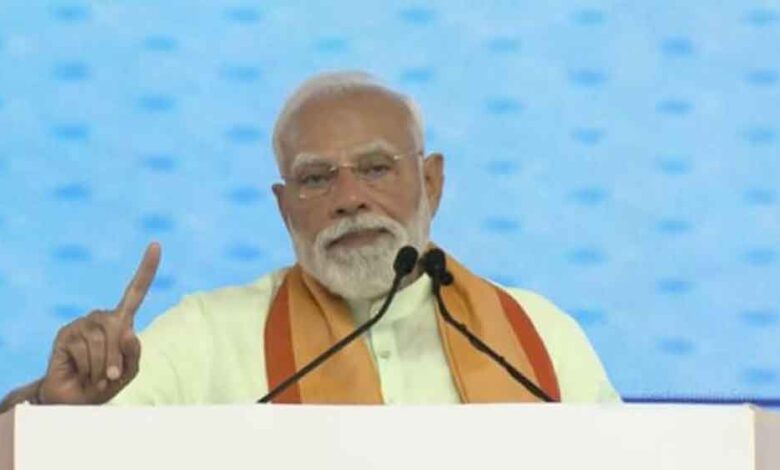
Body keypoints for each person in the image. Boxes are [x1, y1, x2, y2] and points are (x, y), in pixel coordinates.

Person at [0, 71, 619, 411]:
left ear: (431, 182)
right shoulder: (207, 337)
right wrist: (55, 408)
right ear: (284, 207)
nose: (349, 198)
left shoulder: (540, 336)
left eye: (376, 168)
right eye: (317, 178)